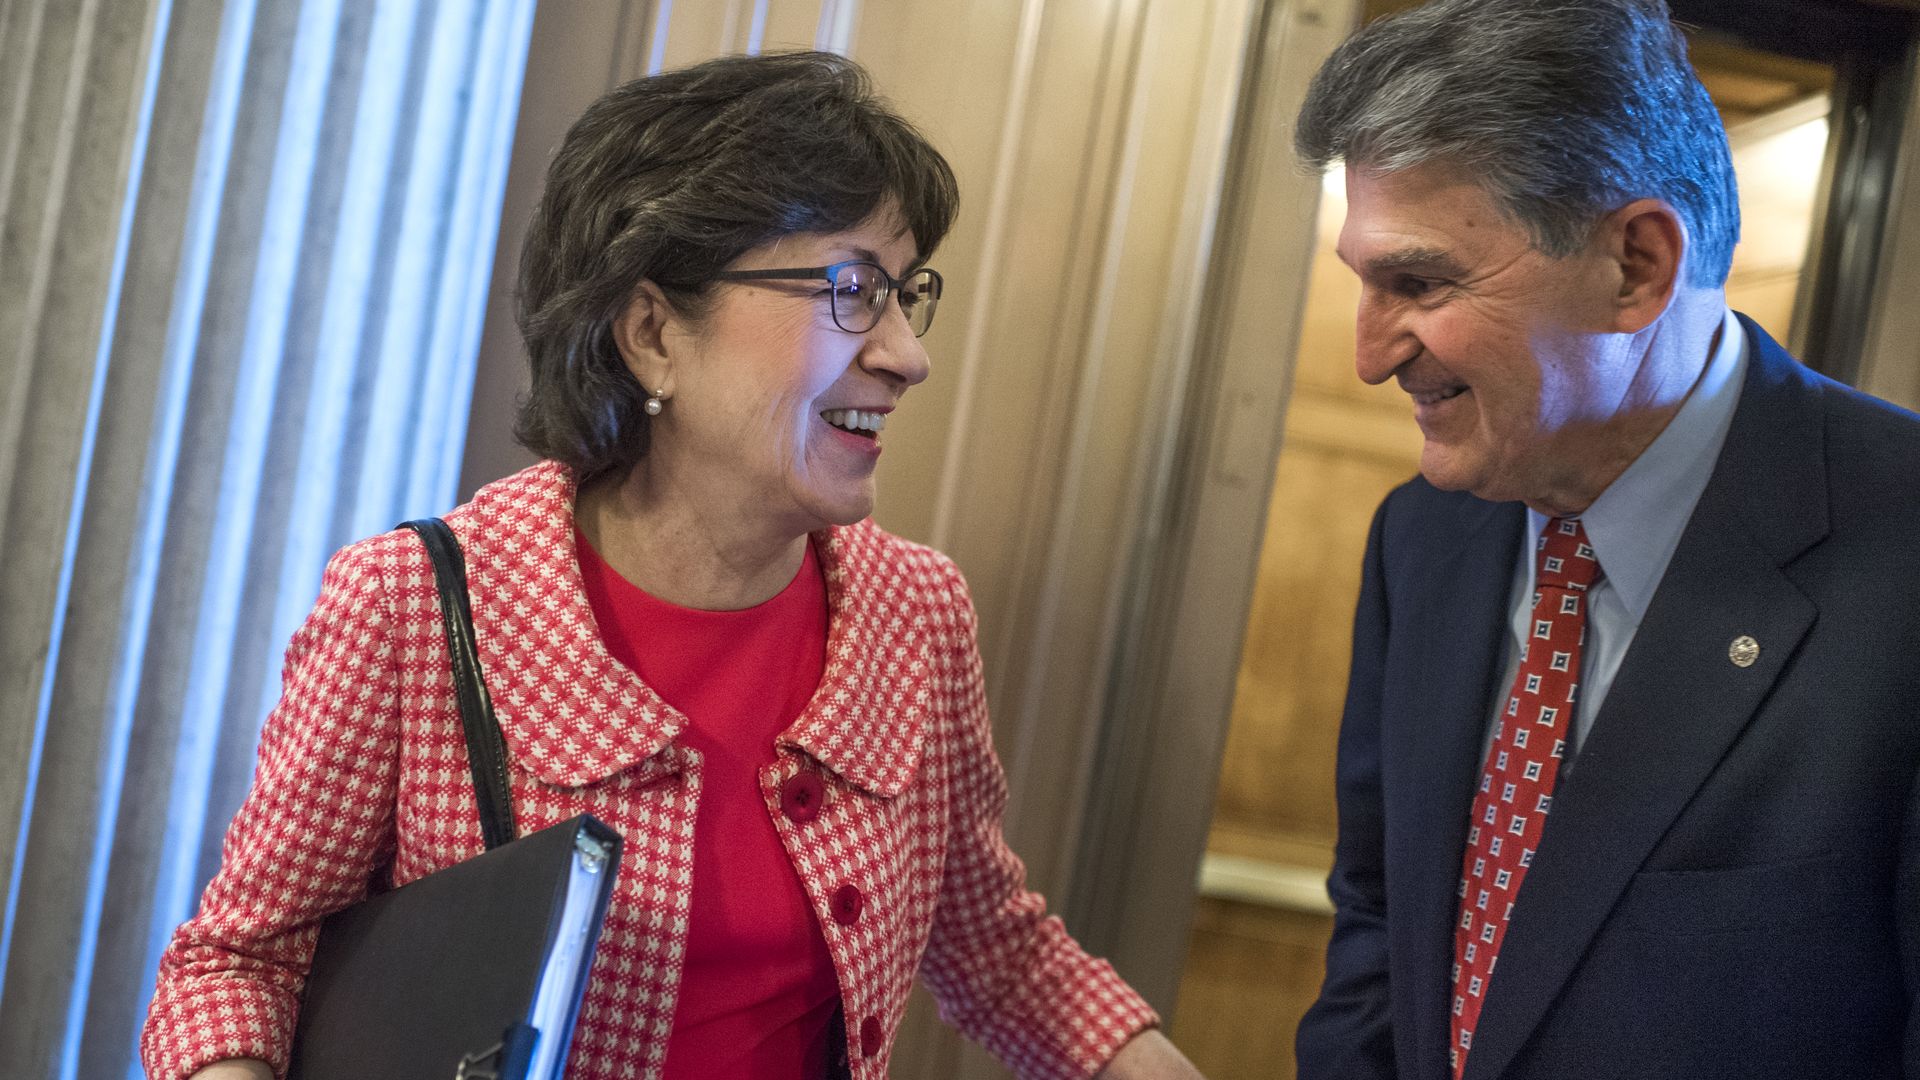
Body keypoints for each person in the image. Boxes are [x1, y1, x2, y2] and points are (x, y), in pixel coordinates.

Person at [141, 51, 1202, 1080]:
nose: (907, 355)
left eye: (905, 292)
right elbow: (236, 961)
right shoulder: (416, 603)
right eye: (849, 288)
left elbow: (995, 951)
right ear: (651, 331)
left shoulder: (915, 615)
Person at [1288, 2, 1920, 1078]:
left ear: (1635, 266)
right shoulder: (1425, 537)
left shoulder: (1899, 555)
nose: (1369, 354)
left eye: (1421, 283)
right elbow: (1381, 929)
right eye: (1366, 280)